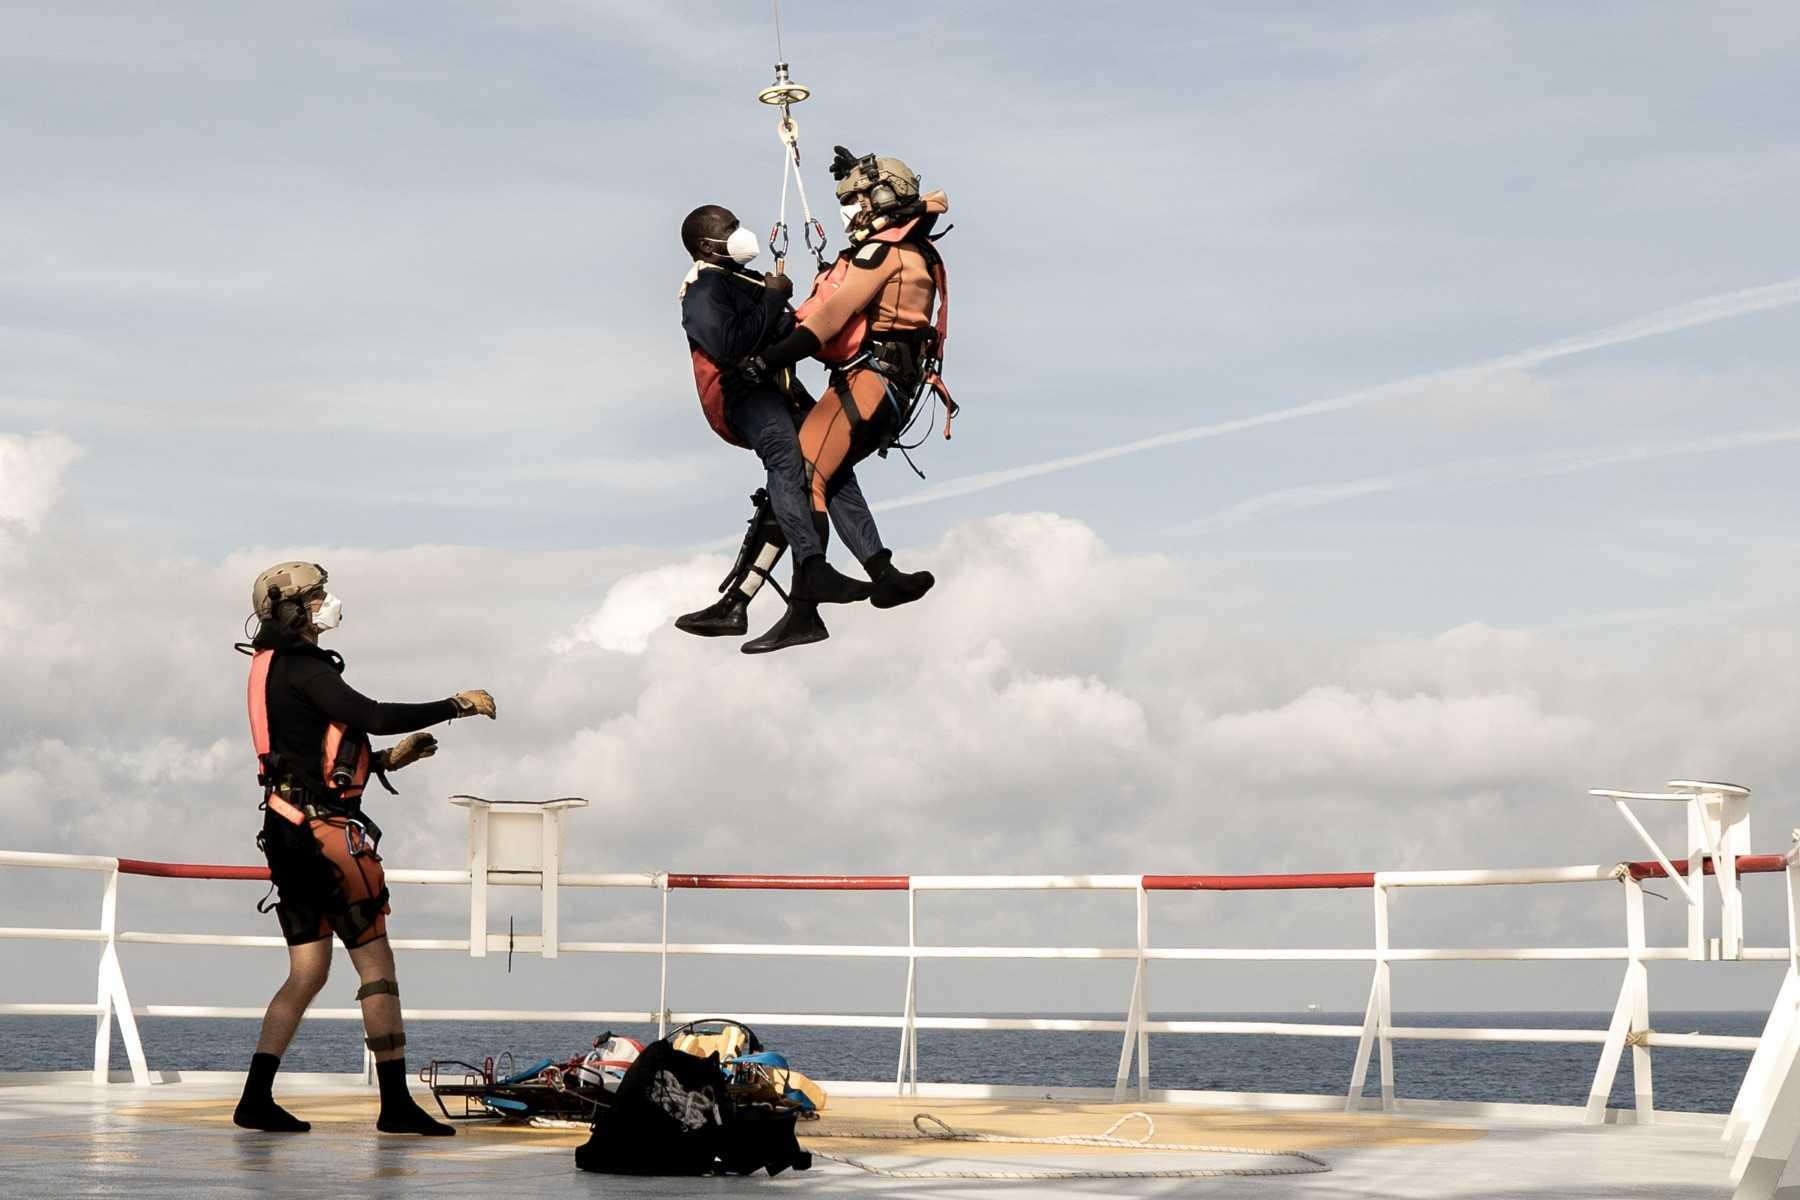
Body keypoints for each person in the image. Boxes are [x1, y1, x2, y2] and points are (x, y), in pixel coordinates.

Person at [233, 561, 496, 1136]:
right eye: (319, 595)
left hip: (284, 831)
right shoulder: (304, 667)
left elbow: (302, 756)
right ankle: (396, 1106)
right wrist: (456, 704)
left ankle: (255, 1098)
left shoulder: (268, 669)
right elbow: (372, 715)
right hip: (324, 838)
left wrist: (380, 764)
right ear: (294, 609)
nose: (330, 603)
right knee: (377, 967)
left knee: (307, 972)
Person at [674, 204, 931, 653]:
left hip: (777, 390)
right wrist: (775, 299)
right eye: (730, 228)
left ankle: (875, 573)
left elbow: (787, 334)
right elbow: (730, 343)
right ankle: (811, 569)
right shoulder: (704, 288)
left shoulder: (747, 282)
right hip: (744, 396)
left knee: (830, 468)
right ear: (706, 245)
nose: (741, 232)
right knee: (789, 460)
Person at [735, 148, 947, 613]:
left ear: (882, 196)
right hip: (893, 389)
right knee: (830, 477)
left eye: (856, 199)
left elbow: (832, 318)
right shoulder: (914, 249)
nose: (850, 210)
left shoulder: (881, 252)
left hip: (867, 382)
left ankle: (804, 596)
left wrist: (767, 360)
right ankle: (883, 575)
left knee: (801, 476)